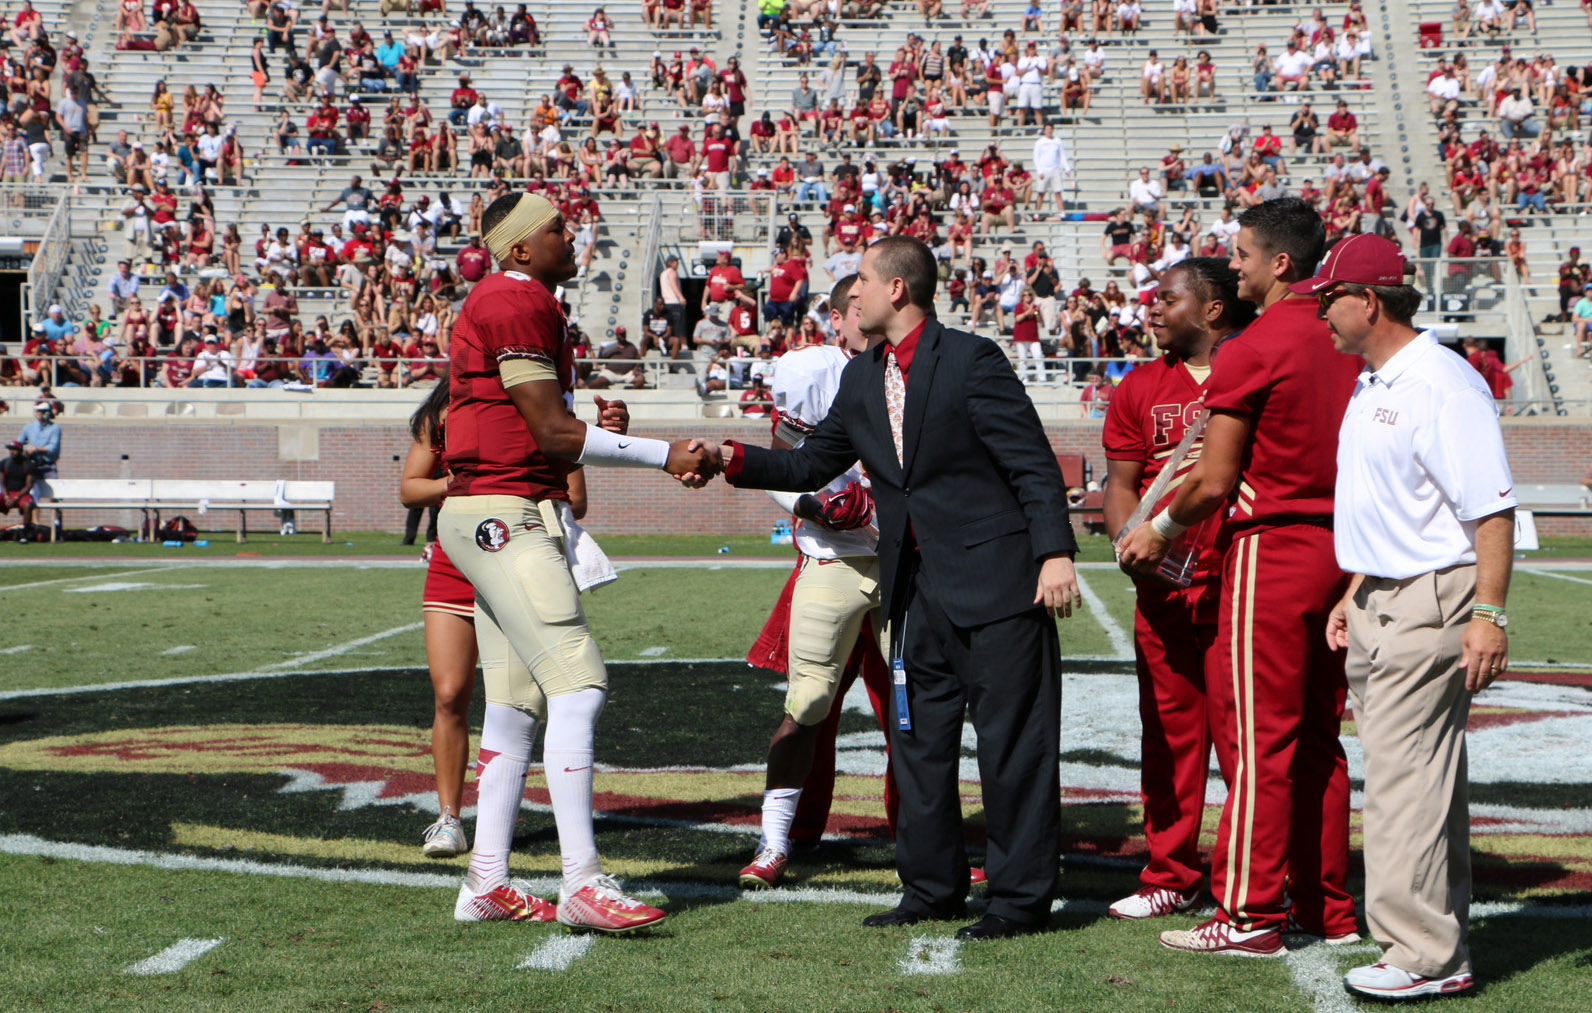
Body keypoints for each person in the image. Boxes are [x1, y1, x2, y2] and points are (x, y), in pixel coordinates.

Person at [713, 236, 1081, 941]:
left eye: (860, 286)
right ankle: (931, 887)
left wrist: (1055, 553)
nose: (850, 300)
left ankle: (1017, 900)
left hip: (1000, 587)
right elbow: (811, 463)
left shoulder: (972, 359)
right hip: (912, 593)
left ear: (897, 291)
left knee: (1013, 749)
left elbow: (1033, 464)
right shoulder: (861, 379)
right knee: (918, 744)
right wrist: (730, 459)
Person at [437, 191, 713, 930]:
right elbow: (555, 433)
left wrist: (595, 428)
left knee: (516, 701)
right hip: (503, 511)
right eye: (556, 227)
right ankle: (582, 880)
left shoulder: (518, 300)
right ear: (520, 247)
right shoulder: (512, 300)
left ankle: (487, 879)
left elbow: (547, 429)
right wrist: (665, 455)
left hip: (492, 507)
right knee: (579, 683)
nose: (571, 233)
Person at [1119, 198, 1360, 957]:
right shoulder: (1351, 337)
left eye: (1246, 254)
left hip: (1272, 545)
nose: (1240, 265)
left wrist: (1156, 530)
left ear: (1280, 263)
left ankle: (1249, 913)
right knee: (1321, 735)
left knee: (1258, 742)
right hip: (1347, 548)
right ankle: (1328, 906)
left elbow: (1214, 478)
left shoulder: (1255, 345)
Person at [1304, 234, 1513, 1001]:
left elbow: (1489, 507)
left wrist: (1488, 611)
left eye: (1328, 299)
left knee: (1403, 779)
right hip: (1381, 592)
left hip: (1430, 592)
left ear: (1369, 301)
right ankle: (1434, 935)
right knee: (1420, 776)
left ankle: (1423, 950)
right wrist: (1352, 589)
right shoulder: (1377, 379)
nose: (1321, 313)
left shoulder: (1439, 382)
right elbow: (1394, 506)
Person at [1102, 258, 1255, 920]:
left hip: (1240, 576)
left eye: (1168, 298)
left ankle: (1247, 873)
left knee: (1244, 735)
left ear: (1213, 306)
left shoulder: (1256, 367)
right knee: (1168, 732)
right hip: (1163, 585)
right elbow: (1121, 486)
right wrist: (1130, 545)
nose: (1153, 309)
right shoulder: (1138, 385)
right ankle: (1170, 869)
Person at [737, 274, 901, 888]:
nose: (868, 315)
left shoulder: (917, 365)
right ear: (837, 320)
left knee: (913, 708)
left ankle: (919, 836)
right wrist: (811, 505)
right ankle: (777, 839)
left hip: (904, 561)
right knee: (807, 702)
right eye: (856, 309)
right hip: (833, 557)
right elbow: (783, 463)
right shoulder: (812, 372)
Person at [0, 440, 36, 540]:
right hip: (8, 493)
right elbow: (2, 482)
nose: (12, 452)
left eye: (14, 449)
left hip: (22, 494)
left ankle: (26, 533)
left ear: (20, 450)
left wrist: (16, 498)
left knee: (27, 505)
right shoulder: (4, 463)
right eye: (10, 449)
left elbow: (29, 485)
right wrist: (6, 496)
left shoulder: (28, 464)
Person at [20, 399, 60, 478]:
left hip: (48, 465)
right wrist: (27, 447)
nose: (38, 413)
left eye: (41, 411)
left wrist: (35, 448)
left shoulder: (54, 428)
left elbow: (52, 448)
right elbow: (19, 444)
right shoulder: (29, 427)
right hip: (32, 464)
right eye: (37, 410)